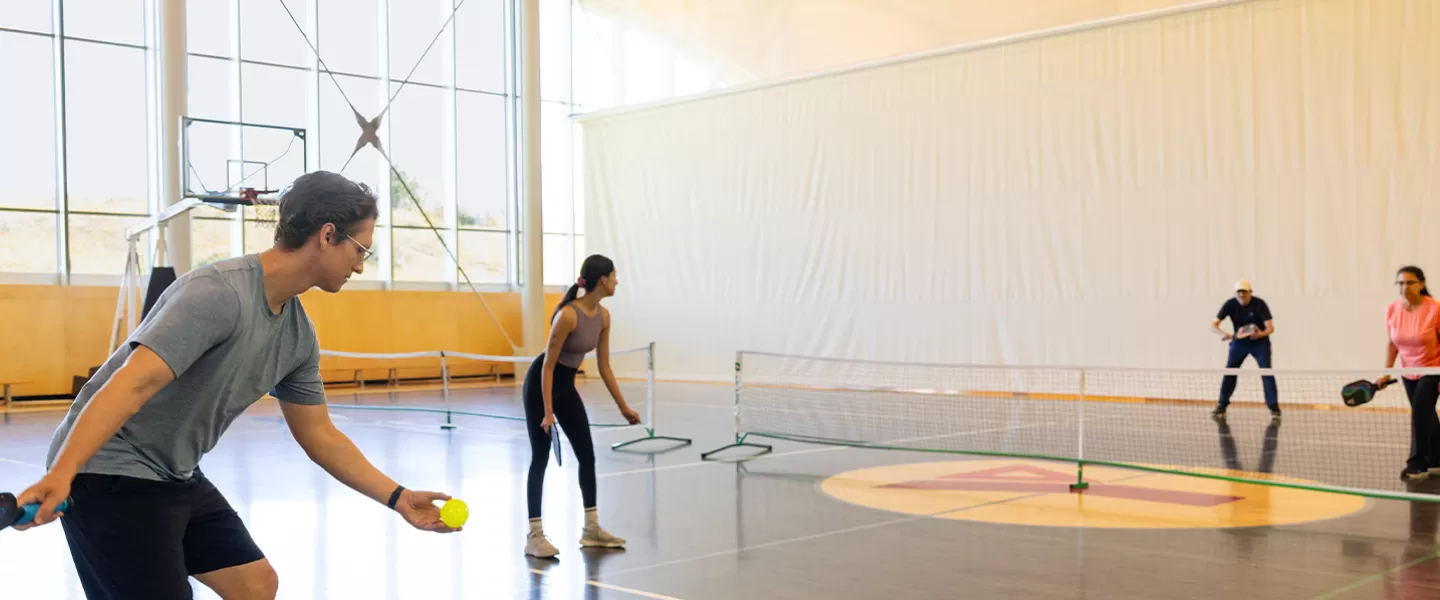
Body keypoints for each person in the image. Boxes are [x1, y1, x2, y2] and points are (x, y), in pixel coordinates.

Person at [14, 171, 459, 599]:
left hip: (175, 472)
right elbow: (130, 384)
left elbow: (320, 435)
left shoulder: (298, 336)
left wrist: (397, 497)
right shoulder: (217, 293)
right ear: (327, 235)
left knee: (255, 585)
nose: (360, 267)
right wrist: (63, 474)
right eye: (361, 250)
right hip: (109, 469)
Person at [523, 254, 640, 558]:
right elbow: (548, 366)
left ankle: (592, 530)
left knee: (587, 455)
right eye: (614, 275)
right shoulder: (568, 316)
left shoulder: (603, 317)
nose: (617, 281)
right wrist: (548, 412)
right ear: (603, 279)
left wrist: (623, 407)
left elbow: (604, 367)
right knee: (540, 456)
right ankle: (534, 536)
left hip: (566, 386)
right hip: (541, 384)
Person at [1378, 266, 1440, 480]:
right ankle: (1437, 459)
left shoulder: (1435, 308)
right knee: (1426, 414)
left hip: (1433, 368)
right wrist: (1386, 374)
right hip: (1408, 370)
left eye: (1410, 282)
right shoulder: (1392, 309)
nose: (1405, 287)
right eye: (1401, 283)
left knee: (1419, 413)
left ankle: (1416, 463)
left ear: (1421, 284)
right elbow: (1392, 344)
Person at [1211, 279, 1280, 421]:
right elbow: (1214, 325)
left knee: (1266, 371)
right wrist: (1225, 334)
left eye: (1244, 292)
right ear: (1236, 294)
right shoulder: (1230, 304)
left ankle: (1274, 407)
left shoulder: (1260, 304)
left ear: (1250, 292)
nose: (1241, 295)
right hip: (1239, 343)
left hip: (1259, 343)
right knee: (1230, 371)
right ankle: (1222, 404)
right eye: (1239, 292)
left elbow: (1270, 328)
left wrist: (1259, 334)